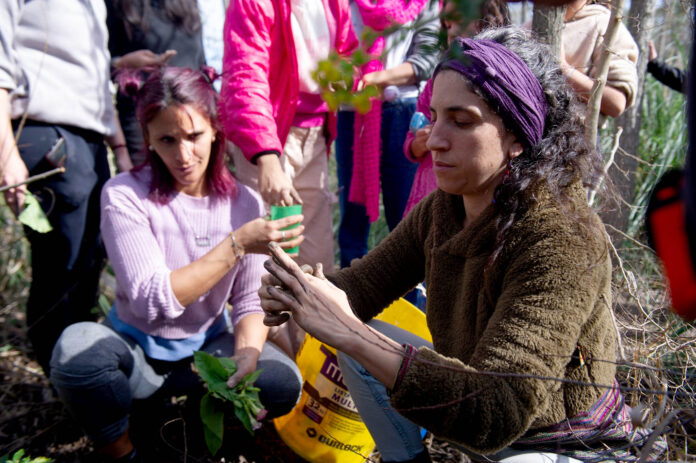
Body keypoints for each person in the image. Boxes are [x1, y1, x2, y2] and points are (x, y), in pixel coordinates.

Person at [259, 27, 665, 463]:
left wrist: (352, 333)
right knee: (359, 341)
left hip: (561, 440)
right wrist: (298, 292)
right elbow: (361, 286)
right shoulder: (445, 209)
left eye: (462, 120)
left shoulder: (562, 237)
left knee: (361, 341)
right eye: (434, 116)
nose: (434, 139)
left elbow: (501, 406)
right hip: (479, 410)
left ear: (517, 135)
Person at [49, 67, 304, 462]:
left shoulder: (245, 203)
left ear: (216, 129)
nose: (183, 155)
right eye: (167, 139)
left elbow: (250, 302)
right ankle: (122, 450)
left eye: (194, 136)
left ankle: (200, 438)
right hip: (136, 347)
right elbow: (154, 300)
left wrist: (247, 354)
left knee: (280, 380)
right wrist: (237, 244)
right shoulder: (124, 195)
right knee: (77, 356)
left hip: (206, 348)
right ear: (148, 138)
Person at [0, 0, 132, 375]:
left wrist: (119, 149)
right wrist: (7, 155)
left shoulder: (93, 5)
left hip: (90, 142)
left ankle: (80, 367)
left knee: (92, 258)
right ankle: (59, 372)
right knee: (62, 261)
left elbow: (93, 81)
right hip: (45, 134)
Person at [221, 0, 358, 273]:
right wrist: (267, 159)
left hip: (315, 136)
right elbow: (246, 77)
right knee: (262, 262)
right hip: (265, 138)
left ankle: (312, 316)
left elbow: (346, 50)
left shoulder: (334, 3)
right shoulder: (253, 4)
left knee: (316, 263)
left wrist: (345, 74)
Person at [336, 0, 440, 268]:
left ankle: (412, 305)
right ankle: (349, 300)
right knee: (353, 219)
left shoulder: (421, 3)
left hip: (403, 113)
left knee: (407, 218)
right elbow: (334, 50)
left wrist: (377, 78)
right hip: (353, 112)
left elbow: (426, 59)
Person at [403, 0, 510, 217]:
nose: (450, 29)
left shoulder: (501, 83)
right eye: (447, 23)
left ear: (486, 21)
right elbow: (410, 142)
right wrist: (418, 143)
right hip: (427, 190)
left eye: (460, 121)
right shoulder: (437, 81)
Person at [107, 0, 207, 164]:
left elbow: (202, 66)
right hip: (143, 124)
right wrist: (123, 63)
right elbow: (98, 67)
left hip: (193, 119)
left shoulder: (188, 5)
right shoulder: (119, 5)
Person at [558, 0, 639, 119]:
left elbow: (616, 103)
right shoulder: (531, 25)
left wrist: (563, 70)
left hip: (573, 134)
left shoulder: (606, 25)